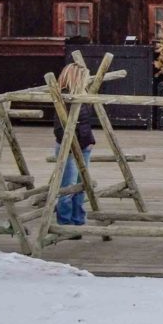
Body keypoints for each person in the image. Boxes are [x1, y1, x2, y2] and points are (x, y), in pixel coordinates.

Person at [52, 61, 98, 226]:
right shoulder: (64, 98)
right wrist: (70, 145)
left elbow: (85, 123)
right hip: (70, 146)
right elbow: (60, 128)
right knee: (68, 185)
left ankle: (78, 218)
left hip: (84, 144)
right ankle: (65, 221)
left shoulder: (82, 96)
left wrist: (90, 140)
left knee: (81, 183)